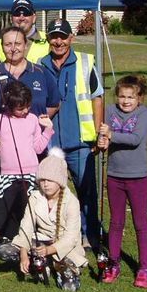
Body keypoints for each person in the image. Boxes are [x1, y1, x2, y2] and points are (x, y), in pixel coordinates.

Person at [39, 19, 104, 250]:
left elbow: (97, 97)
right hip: (51, 143)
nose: (58, 41)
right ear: (48, 39)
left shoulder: (85, 63)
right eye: (54, 36)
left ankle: (90, 234)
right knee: (51, 192)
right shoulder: (40, 65)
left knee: (86, 191)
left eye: (62, 37)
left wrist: (97, 132)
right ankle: (57, 235)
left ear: (71, 38)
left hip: (80, 141)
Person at [0, 81, 54, 274]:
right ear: (9, 106)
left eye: (28, 106)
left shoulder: (32, 119)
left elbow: (38, 148)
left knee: (31, 216)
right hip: (8, 177)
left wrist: (47, 130)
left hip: (30, 176)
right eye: (21, 108)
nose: (25, 110)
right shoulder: (0, 120)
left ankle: (36, 255)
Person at [97, 75, 147, 289]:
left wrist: (111, 135)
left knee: (140, 222)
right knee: (116, 222)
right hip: (114, 176)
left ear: (139, 98)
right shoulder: (110, 111)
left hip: (137, 177)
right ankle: (113, 263)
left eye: (131, 97)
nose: (126, 101)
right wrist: (102, 140)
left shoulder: (144, 113)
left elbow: (135, 139)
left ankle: (144, 268)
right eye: (122, 96)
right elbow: (103, 135)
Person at [3, 148, 87, 291]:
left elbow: (71, 237)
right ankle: (38, 263)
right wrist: (23, 253)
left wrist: (49, 250)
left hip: (63, 247)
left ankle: (53, 264)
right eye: (42, 180)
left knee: (70, 287)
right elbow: (26, 226)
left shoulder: (71, 201)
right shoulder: (35, 197)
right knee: (4, 251)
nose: (45, 184)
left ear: (60, 181)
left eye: (50, 180)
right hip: (41, 241)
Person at [0, 25, 59, 124]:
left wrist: (37, 124)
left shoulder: (42, 73)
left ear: (25, 45)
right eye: (8, 44)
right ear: (2, 47)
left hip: (36, 133)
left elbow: (55, 104)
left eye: (17, 44)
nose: (13, 48)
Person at [0, 0, 50, 65]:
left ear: (34, 18)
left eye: (26, 13)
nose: (21, 18)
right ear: (11, 18)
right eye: (17, 14)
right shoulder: (1, 44)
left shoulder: (48, 40)